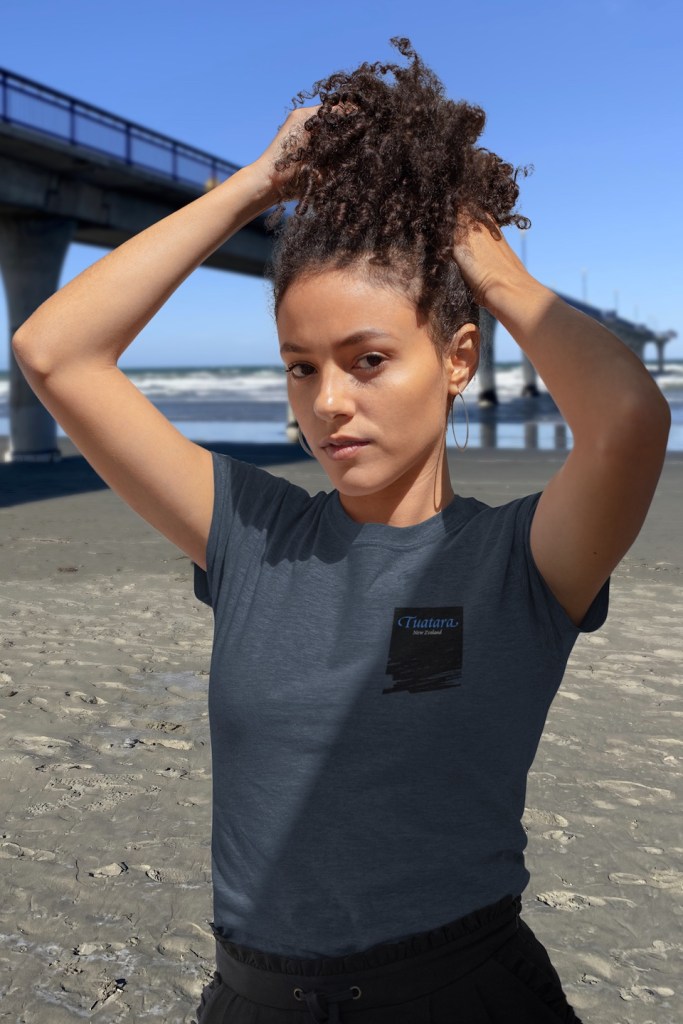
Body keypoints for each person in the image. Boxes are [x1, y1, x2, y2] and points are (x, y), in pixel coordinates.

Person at [12, 37, 670, 1024]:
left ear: (455, 360)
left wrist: (476, 248)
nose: (327, 403)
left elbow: (627, 418)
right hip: (252, 1001)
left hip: (461, 994)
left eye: (366, 360)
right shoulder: (251, 534)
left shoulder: (521, 562)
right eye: (299, 366)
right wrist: (258, 185)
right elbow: (55, 352)